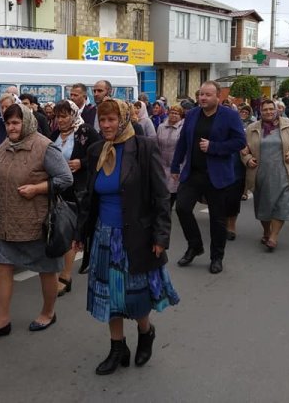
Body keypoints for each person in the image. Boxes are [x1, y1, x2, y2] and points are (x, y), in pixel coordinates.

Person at [76, 99, 179, 375]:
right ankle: (117, 346)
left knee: (135, 296)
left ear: (123, 119)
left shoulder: (144, 147)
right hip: (103, 236)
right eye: (103, 120)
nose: (106, 125)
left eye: (112, 120)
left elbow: (161, 195)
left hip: (134, 236)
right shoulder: (96, 150)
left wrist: (161, 236)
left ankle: (146, 332)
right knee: (110, 296)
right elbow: (89, 195)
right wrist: (80, 231)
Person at [0, 103, 72, 339]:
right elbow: (0, 172)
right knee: (2, 267)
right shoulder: (3, 147)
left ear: (27, 122)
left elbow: (65, 178)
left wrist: (38, 188)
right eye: (8, 123)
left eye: (16, 122)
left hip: (37, 222)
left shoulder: (44, 146)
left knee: (47, 270)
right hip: (9, 221)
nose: (11, 127)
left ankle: (48, 313)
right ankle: (2, 320)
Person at [171, 81, 246, 274]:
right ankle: (195, 246)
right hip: (193, 172)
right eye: (201, 94)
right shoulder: (192, 114)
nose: (202, 98)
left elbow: (239, 142)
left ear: (218, 97)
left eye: (207, 95)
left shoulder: (229, 116)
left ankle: (216, 257)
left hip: (217, 175)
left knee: (217, 220)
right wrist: (175, 165)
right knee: (182, 208)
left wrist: (214, 147)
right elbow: (183, 142)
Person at [49, 99, 100, 296]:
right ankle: (56, 270)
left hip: (78, 191)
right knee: (59, 230)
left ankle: (66, 276)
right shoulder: (54, 134)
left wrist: (82, 162)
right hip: (58, 190)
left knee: (71, 232)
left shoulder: (85, 132)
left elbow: (100, 153)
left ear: (73, 114)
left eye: (64, 116)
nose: (60, 120)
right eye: (58, 116)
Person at [241, 99, 289, 251]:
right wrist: (248, 159)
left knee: (282, 205)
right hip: (261, 173)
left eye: (271, 109)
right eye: (265, 110)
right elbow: (243, 150)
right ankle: (266, 231)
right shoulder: (252, 128)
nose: (269, 112)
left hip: (284, 172)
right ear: (260, 112)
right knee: (264, 206)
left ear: (277, 110)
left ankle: (274, 236)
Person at [157, 104, 186, 210]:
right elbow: (157, 144)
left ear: (180, 115)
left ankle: (168, 210)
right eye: (171, 113)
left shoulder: (183, 129)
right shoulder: (161, 127)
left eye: (176, 113)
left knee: (173, 190)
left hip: (176, 164)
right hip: (162, 163)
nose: (173, 115)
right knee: (162, 190)